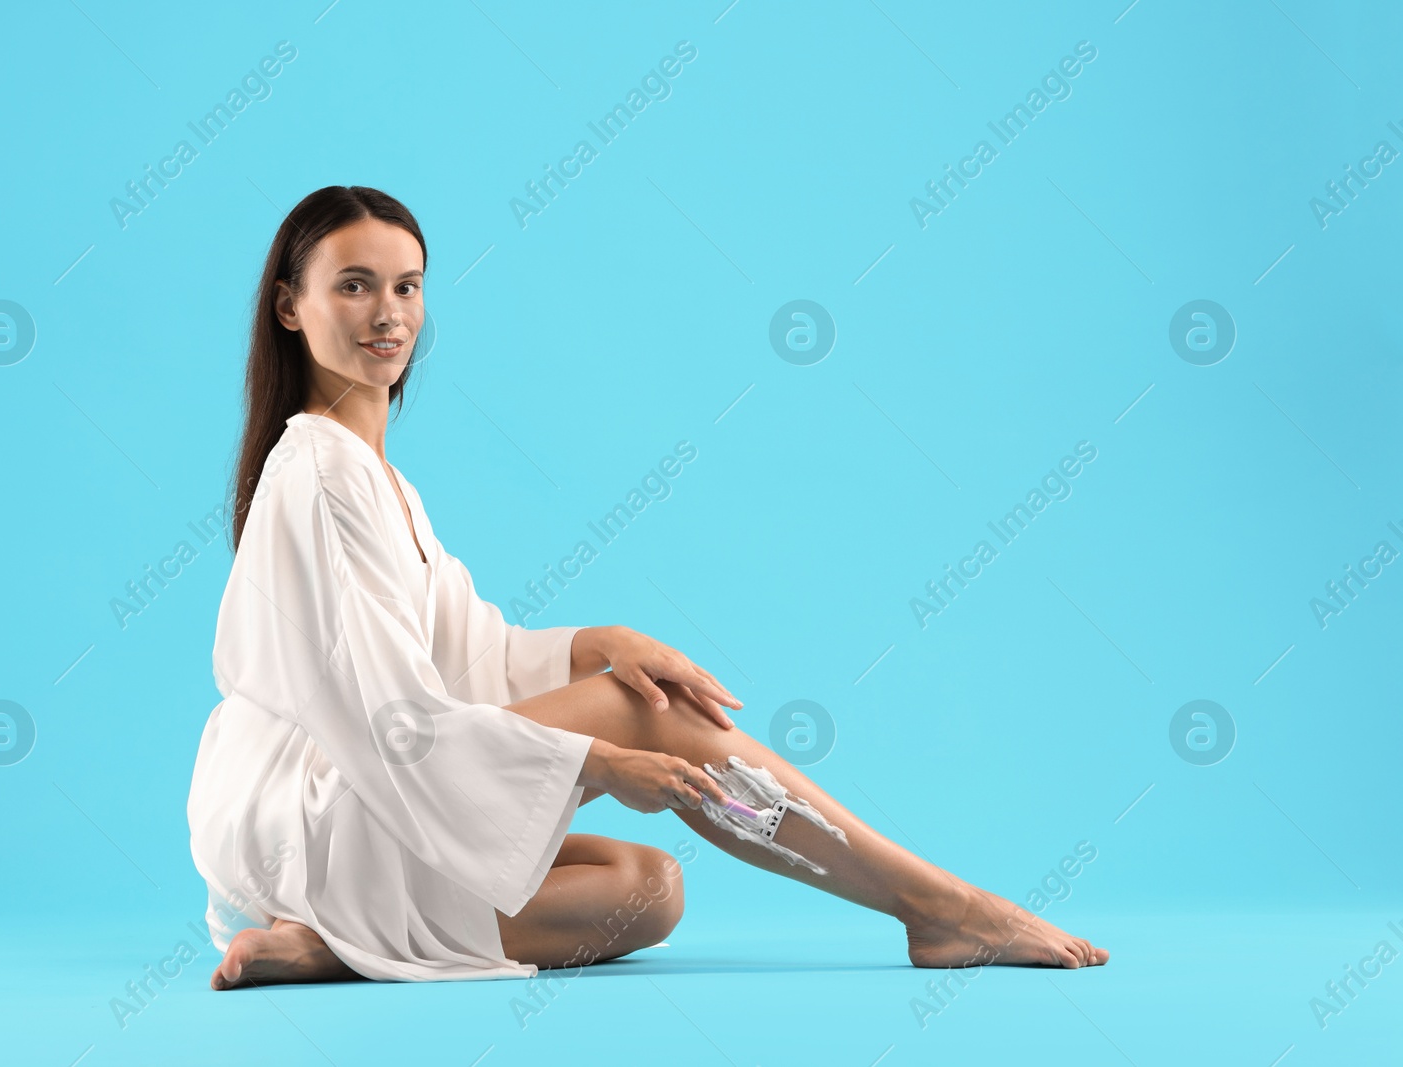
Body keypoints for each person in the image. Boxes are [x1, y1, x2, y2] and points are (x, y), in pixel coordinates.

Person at [187, 185, 1110, 990]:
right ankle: (941, 906)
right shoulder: (318, 471)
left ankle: (339, 944)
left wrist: (599, 642)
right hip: (308, 817)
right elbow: (395, 721)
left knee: (648, 891)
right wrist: (598, 758)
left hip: (337, 831)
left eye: (406, 285)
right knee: (648, 711)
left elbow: (468, 657)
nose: (387, 312)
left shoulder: (376, 475)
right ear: (290, 307)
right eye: (353, 285)